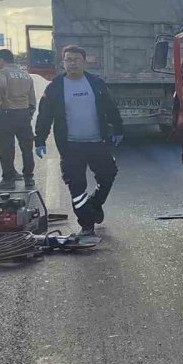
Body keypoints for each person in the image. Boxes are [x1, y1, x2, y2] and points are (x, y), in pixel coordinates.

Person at [34, 46, 124, 236]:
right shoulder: (55, 87)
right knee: (76, 186)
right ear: (63, 63)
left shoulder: (96, 83)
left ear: (84, 62)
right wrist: (39, 139)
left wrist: (118, 128)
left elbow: (110, 107)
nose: (72, 63)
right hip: (70, 146)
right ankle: (86, 224)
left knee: (108, 175)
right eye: (68, 59)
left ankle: (95, 204)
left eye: (76, 59)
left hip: (97, 142)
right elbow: (44, 116)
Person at [0, 48, 37, 189]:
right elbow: (32, 98)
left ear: (1, 60)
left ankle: (8, 180)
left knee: (6, 148)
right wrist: (29, 112)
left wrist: (4, 101)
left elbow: (1, 84)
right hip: (23, 113)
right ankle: (29, 177)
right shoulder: (25, 75)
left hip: (7, 113)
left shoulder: (2, 72)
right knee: (27, 148)